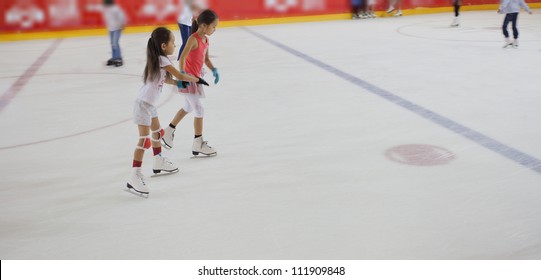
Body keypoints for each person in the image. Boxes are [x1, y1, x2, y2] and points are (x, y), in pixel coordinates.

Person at [127, 27, 208, 196]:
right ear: (164, 46)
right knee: (144, 141)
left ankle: (158, 161)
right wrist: (197, 79)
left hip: (150, 105)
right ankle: (134, 176)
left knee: (157, 133)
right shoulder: (163, 60)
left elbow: (166, 78)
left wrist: (177, 84)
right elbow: (180, 74)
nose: (175, 45)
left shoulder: (157, 58)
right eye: (173, 42)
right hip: (143, 105)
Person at [162, 9, 219, 157]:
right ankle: (198, 142)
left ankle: (168, 132)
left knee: (187, 107)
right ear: (203, 25)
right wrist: (182, 74)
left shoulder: (206, 40)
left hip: (196, 79)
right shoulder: (193, 39)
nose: (214, 29)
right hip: (188, 80)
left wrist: (214, 70)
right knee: (199, 110)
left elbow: (205, 59)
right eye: (213, 26)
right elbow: (182, 58)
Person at [102, 0, 126, 67]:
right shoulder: (107, 9)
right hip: (111, 29)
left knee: (115, 43)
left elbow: (121, 16)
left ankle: (118, 58)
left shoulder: (115, 9)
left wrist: (122, 24)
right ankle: (114, 57)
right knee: (112, 44)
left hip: (117, 28)